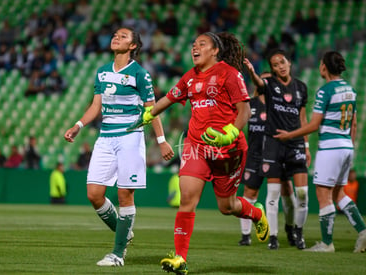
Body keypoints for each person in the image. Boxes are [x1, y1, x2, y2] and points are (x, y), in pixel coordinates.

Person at [127, 31, 269, 275]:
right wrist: (149, 115)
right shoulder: (190, 77)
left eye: (201, 44)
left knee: (227, 206)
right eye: (193, 44)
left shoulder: (229, 74)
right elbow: (169, 98)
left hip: (228, 149)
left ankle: (256, 213)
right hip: (197, 147)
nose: (195, 48)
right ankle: (180, 258)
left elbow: (244, 111)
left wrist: (231, 133)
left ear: (215, 51)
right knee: (187, 200)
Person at [64, 27, 174, 267]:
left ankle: (117, 254)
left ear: (133, 46)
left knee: (125, 195)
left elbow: (151, 109)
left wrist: (161, 139)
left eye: (123, 36)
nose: (116, 37)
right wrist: (78, 125)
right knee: (94, 194)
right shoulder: (102, 72)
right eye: (115, 35)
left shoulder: (140, 74)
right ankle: (125, 233)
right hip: (105, 137)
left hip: (130, 137)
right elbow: (96, 106)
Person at [274, 51, 366, 253]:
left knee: (324, 195)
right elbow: (353, 123)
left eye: (321, 64)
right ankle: (363, 231)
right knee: (339, 193)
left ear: (324, 68)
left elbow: (313, 125)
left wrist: (289, 135)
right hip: (346, 146)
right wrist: (349, 147)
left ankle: (327, 243)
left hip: (331, 147)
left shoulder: (325, 91)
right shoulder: (351, 89)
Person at [244, 49, 311, 250]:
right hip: (273, 144)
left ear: (289, 62)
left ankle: (298, 232)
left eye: (282, 62)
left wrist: (306, 145)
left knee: (302, 194)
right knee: (273, 193)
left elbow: (303, 119)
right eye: (275, 64)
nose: (280, 66)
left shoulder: (301, 87)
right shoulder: (270, 85)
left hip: (296, 143)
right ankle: (273, 237)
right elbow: (258, 84)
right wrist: (252, 73)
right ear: (272, 69)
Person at [237, 76, 296, 249]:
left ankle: (290, 229)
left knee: (286, 192)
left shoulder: (278, 104)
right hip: (254, 156)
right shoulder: (250, 104)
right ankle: (245, 235)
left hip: (276, 155)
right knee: (249, 192)